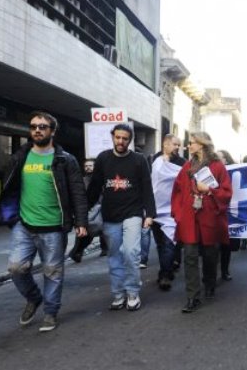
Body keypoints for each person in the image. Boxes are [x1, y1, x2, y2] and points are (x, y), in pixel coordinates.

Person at [0, 111, 88, 332]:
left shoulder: (65, 160)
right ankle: (33, 297)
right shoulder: (20, 156)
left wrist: (81, 222)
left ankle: (50, 312)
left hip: (54, 227)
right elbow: (9, 186)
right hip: (24, 224)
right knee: (16, 267)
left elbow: (77, 192)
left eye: (42, 127)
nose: (37, 130)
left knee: (53, 271)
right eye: (33, 127)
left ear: (52, 131)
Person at [87, 123, 156, 312]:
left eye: (125, 138)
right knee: (114, 256)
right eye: (118, 137)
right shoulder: (103, 158)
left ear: (130, 140)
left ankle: (132, 292)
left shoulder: (139, 160)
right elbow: (94, 187)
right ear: (112, 137)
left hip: (133, 213)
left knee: (131, 253)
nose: (121, 141)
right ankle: (118, 294)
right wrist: (83, 212)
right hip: (110, 215)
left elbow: (147, 187)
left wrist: (150, 214)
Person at [172, 132, 232, 312]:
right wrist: (178, 213)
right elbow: (177, 190)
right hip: (189, 218)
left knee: (210, 255)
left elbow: (227, 193)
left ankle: (210, 283)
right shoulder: (187, 166)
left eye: (192, 143)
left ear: (202, 144)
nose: (188, 146)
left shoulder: (217, 167)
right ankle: (193, 296)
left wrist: (210, 190)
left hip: (209, 217)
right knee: (189, 256)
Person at [149, 134, 185, 291]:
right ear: (165, 144)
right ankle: (166, 269)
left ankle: (165, 275)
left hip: (172, 210)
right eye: (175, 144)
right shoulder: (153, 160)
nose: (177, 147)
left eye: (178, 145)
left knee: (169, 243)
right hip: (155, 209)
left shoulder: (182, 163)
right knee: (160, 244)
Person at [68, 158, 108, 262]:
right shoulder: (82, 180)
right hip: (87, 208)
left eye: (90, 166)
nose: (88, 168)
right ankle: (77, 252)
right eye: (86, 166)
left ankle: (105, 248)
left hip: (101, 206)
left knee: (103, 227)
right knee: (85, 230)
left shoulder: (102, 178)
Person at [217, 149, 238, 281]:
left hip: (229, 212)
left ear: (226, 160)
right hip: (214, 212)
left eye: (219, 158)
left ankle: (225, 270)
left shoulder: (234, 172)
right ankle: (211, 275)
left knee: (226, 245)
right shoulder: (211, 171)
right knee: (213, 246)